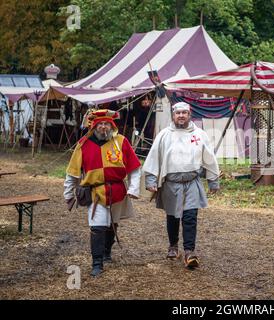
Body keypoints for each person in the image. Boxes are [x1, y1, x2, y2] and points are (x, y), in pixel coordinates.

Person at [63, 109, 141, 277]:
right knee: (97, 227)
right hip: (95, 192)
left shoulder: (121, 141)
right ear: (94, 126)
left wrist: (134, 188)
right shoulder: (83, 144)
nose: (104, 127)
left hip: (117, 190)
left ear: (111, 125)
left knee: (112, 224)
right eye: (100, 124)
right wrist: (68, 194)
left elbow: (134, 167)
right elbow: (73, 172)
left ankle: (106, 251)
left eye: (107, 123)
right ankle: (97, 263)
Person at [142, 101, 220, 269]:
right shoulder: (164, 134)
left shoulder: (199, 134)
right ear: (173, 115)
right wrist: (150, 179)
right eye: (178, 113)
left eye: (184, 113)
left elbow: (209, 157)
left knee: (190, 216)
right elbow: (154, 157)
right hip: (171, 184)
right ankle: (173, 245)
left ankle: (189, 251)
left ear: (189, 114)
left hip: (192, 182)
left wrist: (213, 179)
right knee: (173, 216)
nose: (181, 116)